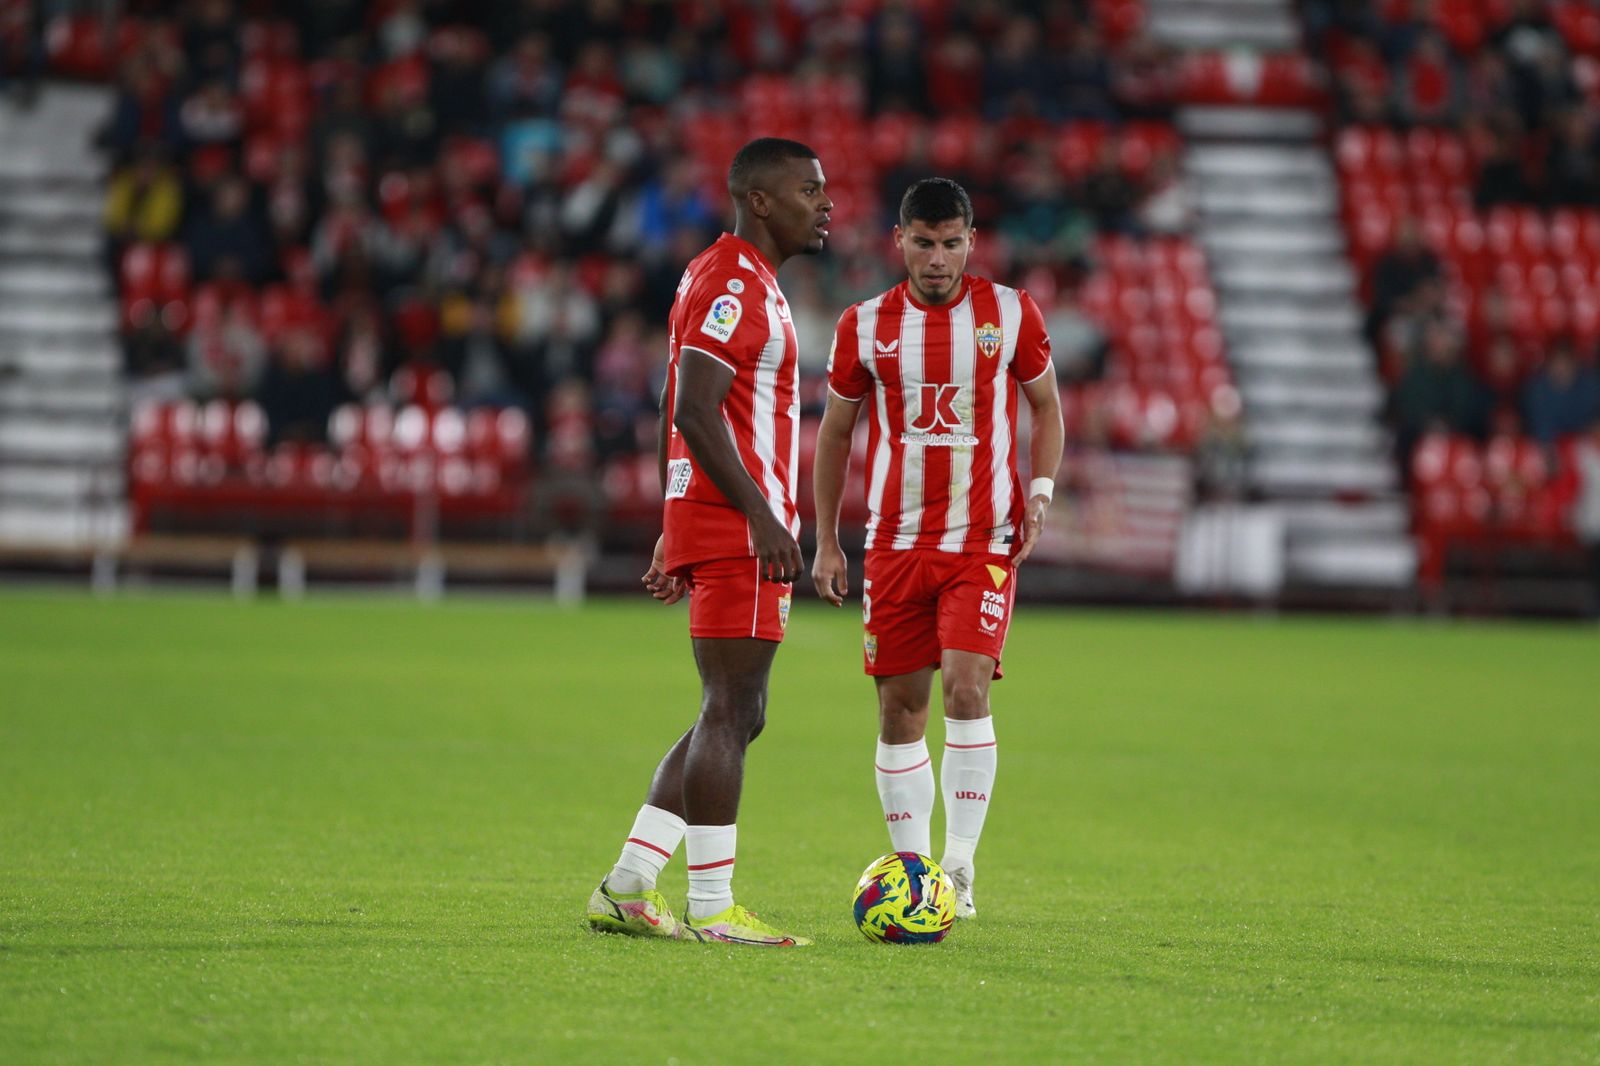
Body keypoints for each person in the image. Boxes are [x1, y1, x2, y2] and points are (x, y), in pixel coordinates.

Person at [586, 139, 833, 947]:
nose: (824, 203)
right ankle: (714, 907)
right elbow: (693, 406)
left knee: (737, 710)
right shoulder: (734, 281)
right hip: (738, 522)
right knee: (730, 708)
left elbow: (673, 398)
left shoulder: (718, 273)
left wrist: (670, 518)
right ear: (760, 200)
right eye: (807, 189)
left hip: (711, 513)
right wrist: (762, 514)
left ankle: (628, 883)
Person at [810, 178, 1064, 920]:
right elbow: (835, 431)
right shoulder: (863, 325)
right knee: (899, 710)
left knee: (965, 688)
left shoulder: (1010, 313)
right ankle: (915, 870)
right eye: (923, 242)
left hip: (981, 539)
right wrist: (826, 541)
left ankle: (960, 865)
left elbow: (1046, 406)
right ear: (899, 241)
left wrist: (1041, 491)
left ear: (971, 242)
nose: (937, 258)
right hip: (893, 544)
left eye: (951, 242)